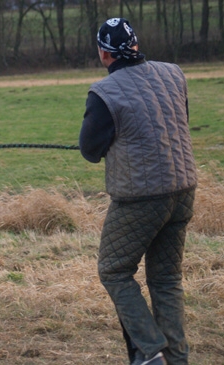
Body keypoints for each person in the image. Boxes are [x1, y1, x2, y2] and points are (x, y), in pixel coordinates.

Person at [79, 18, 197, 365]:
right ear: (135, 44)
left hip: (140, 197)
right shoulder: (174, 73)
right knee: (166, 279)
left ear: (103, 54)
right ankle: (177, 358)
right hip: (184, 188)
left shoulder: (104, 92)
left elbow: (89, 149)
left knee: (114, 270)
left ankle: (149, 352)